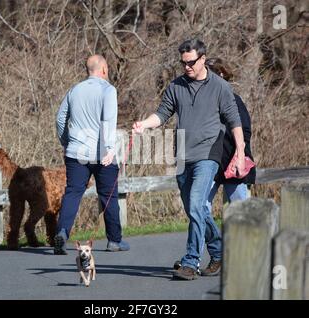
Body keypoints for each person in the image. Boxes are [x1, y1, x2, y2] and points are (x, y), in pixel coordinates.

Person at [132, 39, 245, 280]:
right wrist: (144, 124)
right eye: (183, 63)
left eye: (191, 62)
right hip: (183, 155)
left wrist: (241, 152)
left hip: (208, 153)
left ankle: (190, 262)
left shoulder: (220, 87)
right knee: (194, 209)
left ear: (203, 59)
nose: (186, 67)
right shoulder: (176, 86)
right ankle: (218, 251)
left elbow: (235, 120)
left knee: (196, 204)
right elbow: (162, 113)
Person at [54, 54, 130, 255]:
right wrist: (108, 150)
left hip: (76, 152)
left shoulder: (74, 90)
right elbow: (108, 121)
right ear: (104, 69)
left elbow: (61, 119)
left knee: (72, 193)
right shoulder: (108, 90)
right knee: (108, 195)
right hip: (101, 154)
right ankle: (114, 241)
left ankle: (62, 232)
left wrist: (66, 142)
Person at [205, 58, 256, 239]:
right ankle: (214, 251)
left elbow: (246, 131)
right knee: (201, 207)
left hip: (232, 163)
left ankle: (249, 250)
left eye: (209, 74)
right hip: (210, 163)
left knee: (239, 211)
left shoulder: (234, 100)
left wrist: (238, 156)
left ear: (220, 75)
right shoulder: (202, 101)